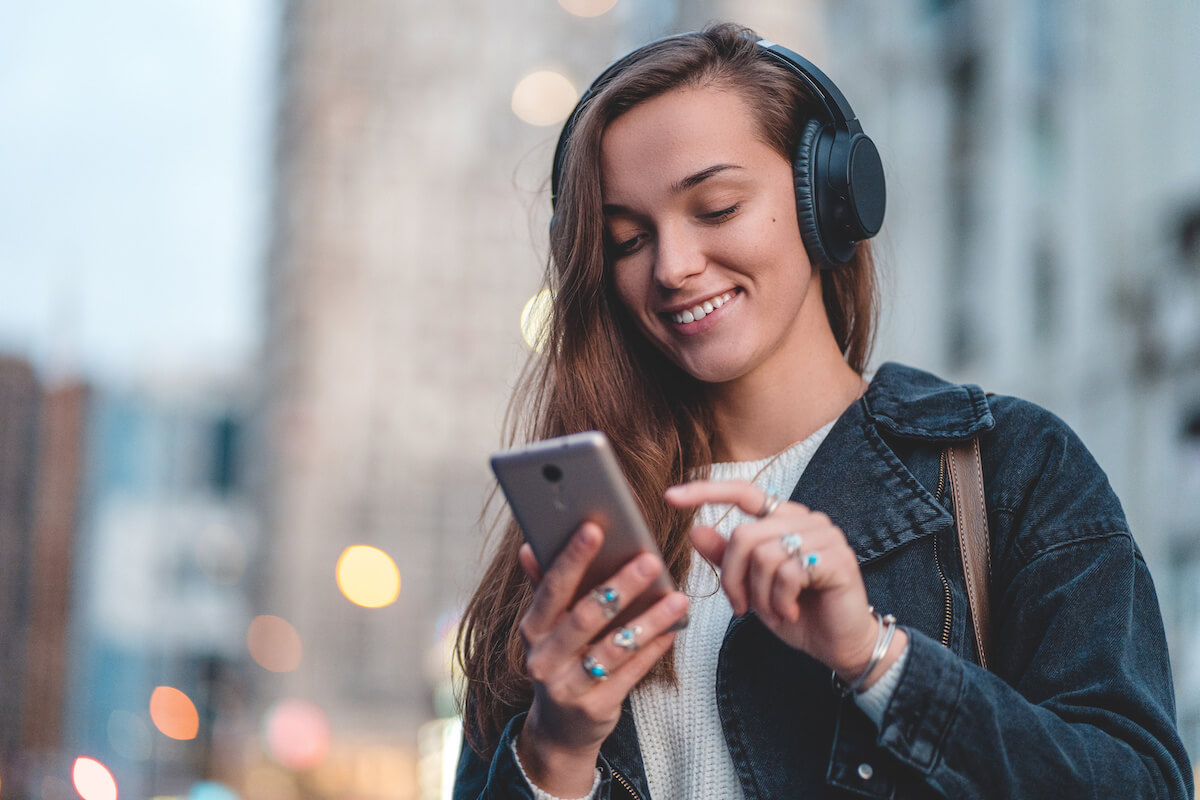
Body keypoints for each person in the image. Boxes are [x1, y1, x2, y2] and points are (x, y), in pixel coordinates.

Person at [454, 23, 1193, 800]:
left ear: (828, 199)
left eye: (716, 208)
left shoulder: (1009, 469)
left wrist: (880, 661)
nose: (671, 267)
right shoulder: (577, 528)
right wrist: (551, 757)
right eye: (629, 239)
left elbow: (1138, 786)